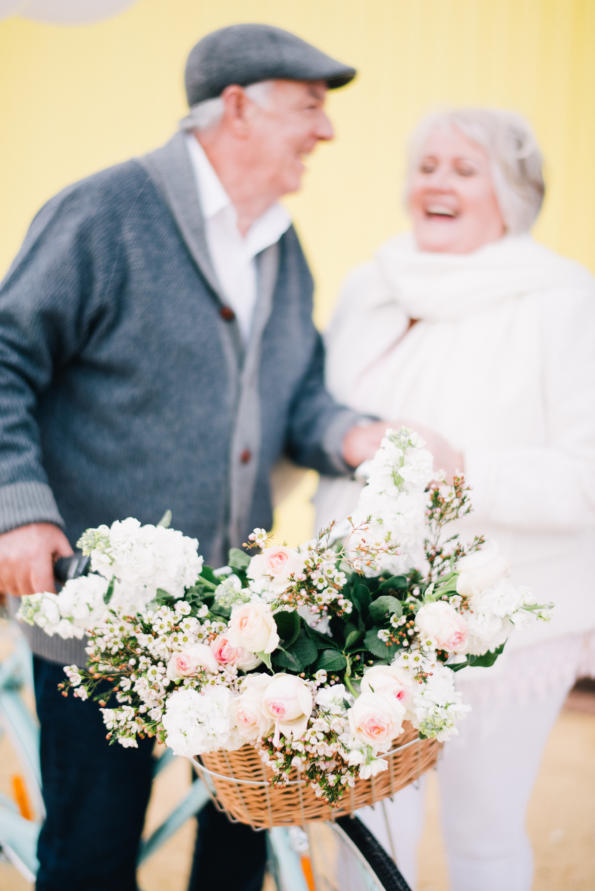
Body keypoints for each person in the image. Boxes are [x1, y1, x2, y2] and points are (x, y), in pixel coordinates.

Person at [0, 23, 393, 891]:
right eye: (309, 107)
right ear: (240, 108)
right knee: (93, 852)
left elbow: (296, 402)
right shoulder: (104, 211)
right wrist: (19, 505)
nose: (325, 132)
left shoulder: (281, 249)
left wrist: (354, 435)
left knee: (239, 841)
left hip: (231, 618)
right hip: (96, 614)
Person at [315, 107, 595, 891]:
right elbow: (325, 428)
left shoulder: (564, 297)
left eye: (464, 170)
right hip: (360, 623)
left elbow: (584, 476)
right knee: (363, 837)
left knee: (482, 837)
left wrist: (464, 467)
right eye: (427, 165)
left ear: (511, 193)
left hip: (502, 627)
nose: (436, 182)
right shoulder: (369, 286)